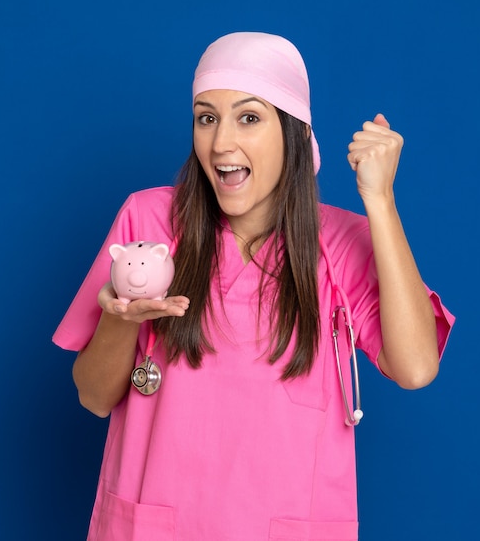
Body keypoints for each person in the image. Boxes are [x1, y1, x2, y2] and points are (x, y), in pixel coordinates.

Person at [53, 32, 454, 541]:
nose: (221, 143)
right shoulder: (150, 222)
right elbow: (93, 396)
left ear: (292, 131)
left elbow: (417, 367)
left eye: (248, 117)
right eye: (206, 117)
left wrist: (380, 201)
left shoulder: (340, 244)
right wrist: (118, 319)